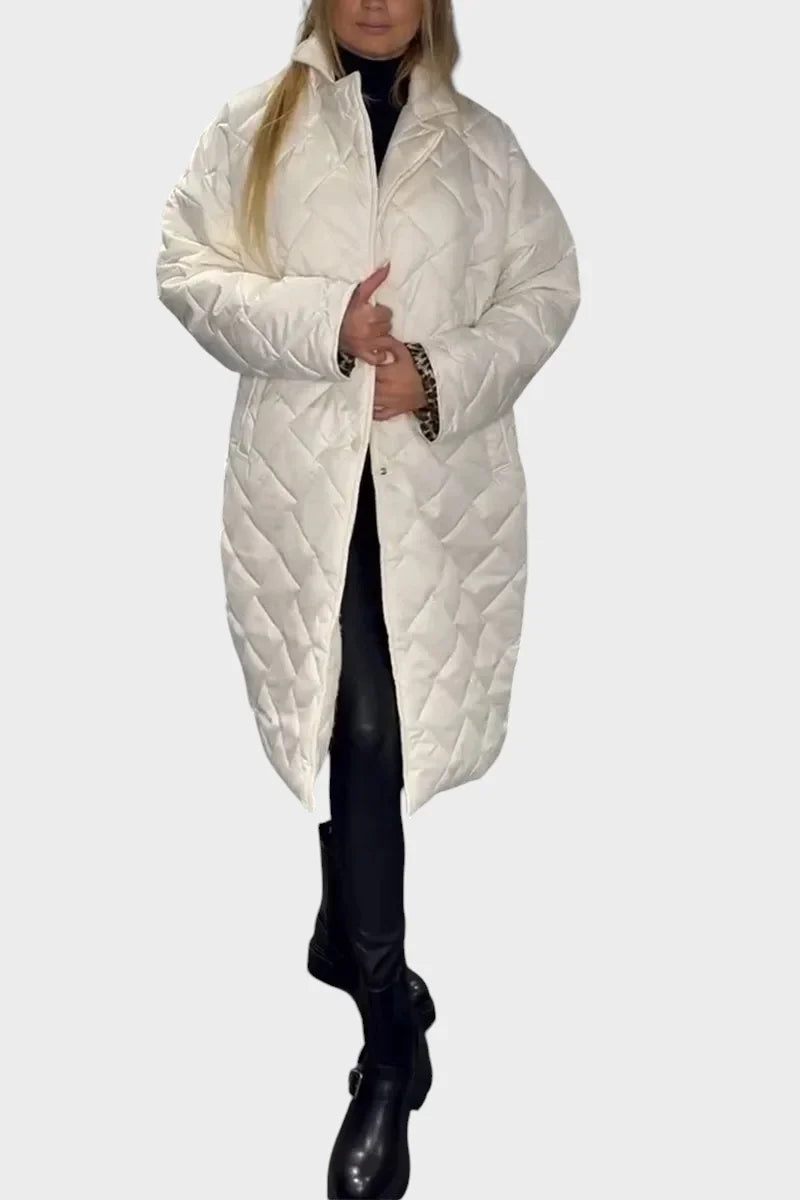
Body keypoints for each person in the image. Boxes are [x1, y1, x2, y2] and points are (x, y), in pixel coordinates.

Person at [156, 2, 580, 1196]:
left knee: (371, 739)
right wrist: (324, 326)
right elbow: (184, 267)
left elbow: (547, 289)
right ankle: (390, 1025)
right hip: (304, 496)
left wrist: (434, 373)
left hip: (430, 501)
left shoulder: (482, 147)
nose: (377, 2)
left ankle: (356, 964)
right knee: (348, 729)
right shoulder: (254, 128)